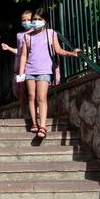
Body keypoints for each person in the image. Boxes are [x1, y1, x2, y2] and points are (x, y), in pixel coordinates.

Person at [19, 7, 81, 139]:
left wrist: (71, 53)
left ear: (45, 20)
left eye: (39, 19)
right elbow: (23, 56)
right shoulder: (27, 36)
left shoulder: (51, 33)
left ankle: (43, 126)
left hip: (44, 70)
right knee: (31, 96)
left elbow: (58, 50)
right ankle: (34, 123)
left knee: (41, 97)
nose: (36, 21)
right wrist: (21, 72)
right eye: (34, 19)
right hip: (30, 70)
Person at [2, 9, 34, 116]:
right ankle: (24, 111)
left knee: (33, 89)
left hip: (33, 65)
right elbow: (20, 52)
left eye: (28, 20)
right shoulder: (19, 35)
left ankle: (35, 110)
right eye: (23, 20)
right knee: (22, 89)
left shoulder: (36, 33)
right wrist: (8, 48)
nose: (26, 22)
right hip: (20, 66)